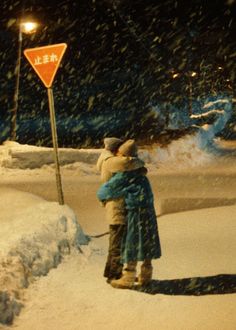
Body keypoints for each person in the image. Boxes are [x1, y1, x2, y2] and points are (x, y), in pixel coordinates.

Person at [97, 139, 161, 289]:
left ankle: (128, 277)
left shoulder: (125, 175)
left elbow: (104, 191)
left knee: (133, 243)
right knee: (146, 242)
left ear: (124, 155)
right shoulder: (141, 173)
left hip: (135, 212)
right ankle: (146, 275)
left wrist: (103, 200)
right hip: (149, 213)